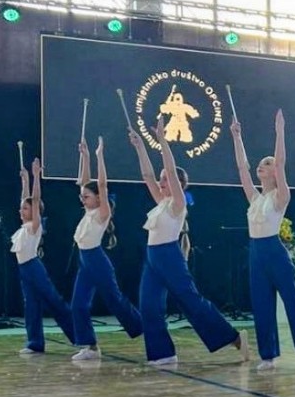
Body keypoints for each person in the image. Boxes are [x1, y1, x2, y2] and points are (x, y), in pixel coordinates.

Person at [128, 118, 249, 367]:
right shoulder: (161, 201)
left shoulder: (178, 204)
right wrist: (139, 147)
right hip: (152, 258)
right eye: (161, 180)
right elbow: (147, 175)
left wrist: (163, 142)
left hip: (169, 256)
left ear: (179, 185)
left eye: (166, 180)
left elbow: (170, 171)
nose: (161, 182)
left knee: (191, 302)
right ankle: (163, 353)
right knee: (148, 305)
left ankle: (233, 337)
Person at [231, 110, 295, 372]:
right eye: (261, 164)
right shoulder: (254, 198)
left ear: (275, 172)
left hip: (274, 251)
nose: (262, 166)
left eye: (267, 163)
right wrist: (237, 137)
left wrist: (280, 131)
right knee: (261, 303)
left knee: (292, 298)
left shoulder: (281, 196)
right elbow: (242, 168)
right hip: (256, 253)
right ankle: (268, 354)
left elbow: (281, 163)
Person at [68, 136, 143, 361]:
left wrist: (99, 156)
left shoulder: (102, 213)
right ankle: (91, 347)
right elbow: (85, 182)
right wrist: (85, 156)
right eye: (82, 197)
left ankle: (145, 327)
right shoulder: (88, 210)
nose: (82, 199)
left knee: (115, 300)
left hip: (97, 260)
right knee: (78, 304)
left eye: (86, 197)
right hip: (85, 260)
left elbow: (101, 184)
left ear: (99, 198)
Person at [12, 157, 75, 354]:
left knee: (54, 302)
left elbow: (35, 199)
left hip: (34, 269)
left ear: (35, 211)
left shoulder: (35, 225)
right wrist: (25, 181)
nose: (21, 210)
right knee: (31, 306)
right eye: (21, 208)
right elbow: (27, 199)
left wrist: (36, 176)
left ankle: (79, 335)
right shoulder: (25, 226)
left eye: (25, 208)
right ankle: (35, 343)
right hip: (24, 271)